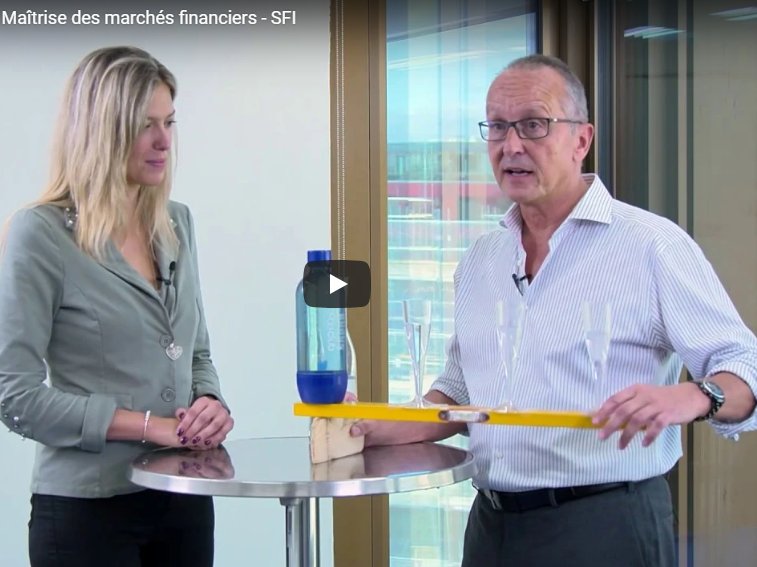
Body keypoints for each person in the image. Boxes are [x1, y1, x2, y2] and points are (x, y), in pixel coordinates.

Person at [351, 54, 757, 567]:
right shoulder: (481, 258)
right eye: (497, 127)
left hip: (606, 525)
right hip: (491, 527)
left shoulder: (651, 245)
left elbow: (745, 367)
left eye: (533, 125)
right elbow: (458, 395)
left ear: (581, 140)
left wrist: (694, 395)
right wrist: (371, 426)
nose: (511, 145)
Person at [0, 46, 234, 567]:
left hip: (183, 498)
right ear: (101, 131)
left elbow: (196, 354)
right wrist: (149, 425)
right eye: (145, 125)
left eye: (169, 123)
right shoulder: (40, 233)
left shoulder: (177, 223)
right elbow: (14, 396)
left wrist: (209, 404)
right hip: (87, 513)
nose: (163, 142)